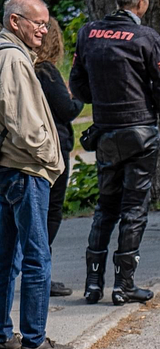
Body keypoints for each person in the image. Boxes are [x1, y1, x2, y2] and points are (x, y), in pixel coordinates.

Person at [69, 0, 160, 305]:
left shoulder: (89, 33)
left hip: (106, 130)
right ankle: (124, 285)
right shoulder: (145, 37)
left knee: (105, 207)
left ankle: (93, 284)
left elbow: (77, 84)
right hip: (140, 131)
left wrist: (105, 99)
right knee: (133, 209)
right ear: (142, 3)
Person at [0, 0, 76, 349]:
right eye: (38, 23)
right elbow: (25, 126)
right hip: (26, 170)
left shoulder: (6, 53)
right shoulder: (13, 59)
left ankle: (3, 335)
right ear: (15, 21)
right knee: (36, 257)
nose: (44, 30)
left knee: (5, 257)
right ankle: (34, 342)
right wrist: (51, 157)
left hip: (7, 169)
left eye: (46, 24)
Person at [34, 17, 83, 298]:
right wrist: (75, 96)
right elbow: (67, 110)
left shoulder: (29, 69)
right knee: (51, 213)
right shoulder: (47, 72)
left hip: (38, 149)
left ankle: (39, 271)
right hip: (53, 149)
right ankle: (43, 273)